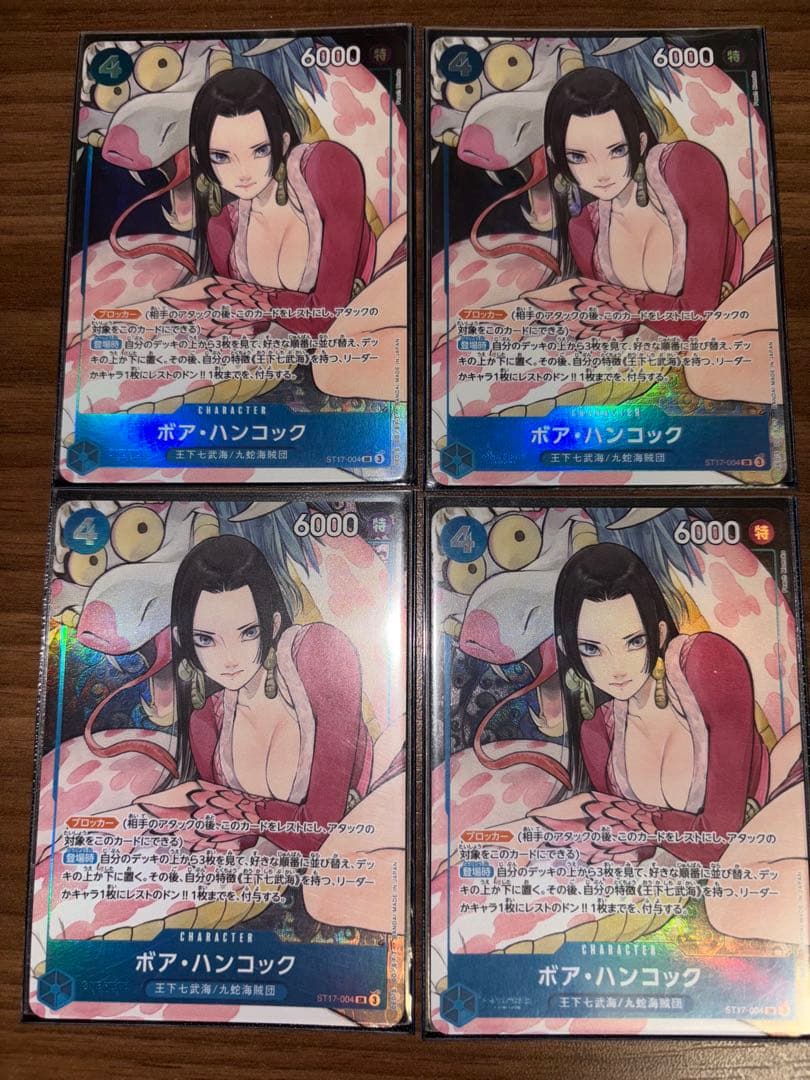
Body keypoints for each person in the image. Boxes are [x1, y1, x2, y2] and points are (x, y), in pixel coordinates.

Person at [524, 66, 777, 396]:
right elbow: (620, 321)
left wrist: (628, 303)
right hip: (725, 320)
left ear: (640, 142)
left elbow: (695, 315)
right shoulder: (584, 228)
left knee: (705, 370)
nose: (602, 173)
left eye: (617, 150)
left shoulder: (685, 166)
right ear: (556, 158)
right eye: (578, 157)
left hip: (760, 265)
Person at [140, 533, 373, 854]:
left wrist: (247, 811)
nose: (230, 658)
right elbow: (231, 832)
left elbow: (318, 830)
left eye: (248, 632)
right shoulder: (206, 719)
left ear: (273, 625)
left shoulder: (320, 653)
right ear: (183, 639)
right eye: (206, 639)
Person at [539, 542, 769, 865]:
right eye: (592, 649)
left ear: (659, 634)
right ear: (568, 649)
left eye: (634, 641)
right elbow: (629, 845)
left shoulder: (708, 663)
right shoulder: (597, 730)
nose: (617, 668)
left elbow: (715, 840)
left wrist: (645, 821)